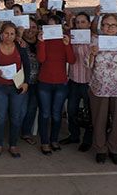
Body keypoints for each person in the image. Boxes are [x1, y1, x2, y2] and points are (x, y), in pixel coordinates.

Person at [89, 14, 117, 165]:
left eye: (113, 25)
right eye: (106, 25)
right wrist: (92, 54)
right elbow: (87, 65)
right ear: (102, 27)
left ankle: (114, 149)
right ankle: (101, 149)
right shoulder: (95, 42)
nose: (109, 28)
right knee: (99, 119)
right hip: (99, 86)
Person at [36, 15, 75, 155]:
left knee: (57, 114)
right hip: (45, 82)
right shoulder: (44, 41)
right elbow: (41, 59)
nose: (51, 29)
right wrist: (40, 43)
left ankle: (54, 140)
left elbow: (71, 60)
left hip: (61, 83)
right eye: (49, 26)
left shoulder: (64, 40)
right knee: (45, 113)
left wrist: (67, 45)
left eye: (54, 26)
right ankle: (45, 142)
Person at [0, 22, 30, 158]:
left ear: (15, 35)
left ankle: (13, 145)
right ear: (1, 34)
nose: (9, 36)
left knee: (15, 117)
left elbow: (27, 65)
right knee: (0, 117)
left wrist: (26, 83)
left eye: (12, 34)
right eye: (6, 33)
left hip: (17, 87)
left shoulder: (20, 47)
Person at [62, 12, 93, 152]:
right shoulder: (71, 38)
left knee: (90, 113)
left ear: (89, 24)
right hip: (74, 80)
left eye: (83, 22)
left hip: (89, 82)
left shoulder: (95, 39)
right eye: (78, 22)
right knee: (71, 110)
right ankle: (74, 135)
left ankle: (88, 140)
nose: (80, 25)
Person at [20, 17, 40, 145]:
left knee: (32, 107)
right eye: (28, 27)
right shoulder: (19, 43)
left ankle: (26, 132)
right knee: (21, 108)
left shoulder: (41, 43)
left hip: (38, 81)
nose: (30, 30)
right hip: (22, 81)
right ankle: (15, 129)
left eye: (34, 27)